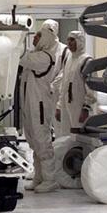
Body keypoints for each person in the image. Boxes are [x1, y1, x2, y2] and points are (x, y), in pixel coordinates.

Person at [17, 20, 68, 193]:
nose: (35, 38)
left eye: (39, 35)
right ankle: (39, 177)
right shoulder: (40, 53)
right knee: (32, 138)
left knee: (41, 139)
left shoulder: (45, 57)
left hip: (39, 104)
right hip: (30, 102)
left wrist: (17, 36)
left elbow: (22, 57)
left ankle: (50, 178)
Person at [53, 30, 95, 137]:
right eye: (68, 40)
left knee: (80, 136)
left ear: (80, 41)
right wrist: (59, 106)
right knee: (66, 135)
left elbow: (92, 88)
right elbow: (64, 85)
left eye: (72, 40)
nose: (69, 42)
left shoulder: (86, 61)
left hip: (79, 107)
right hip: (66, 106)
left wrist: (86, 108)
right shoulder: (69, 59)